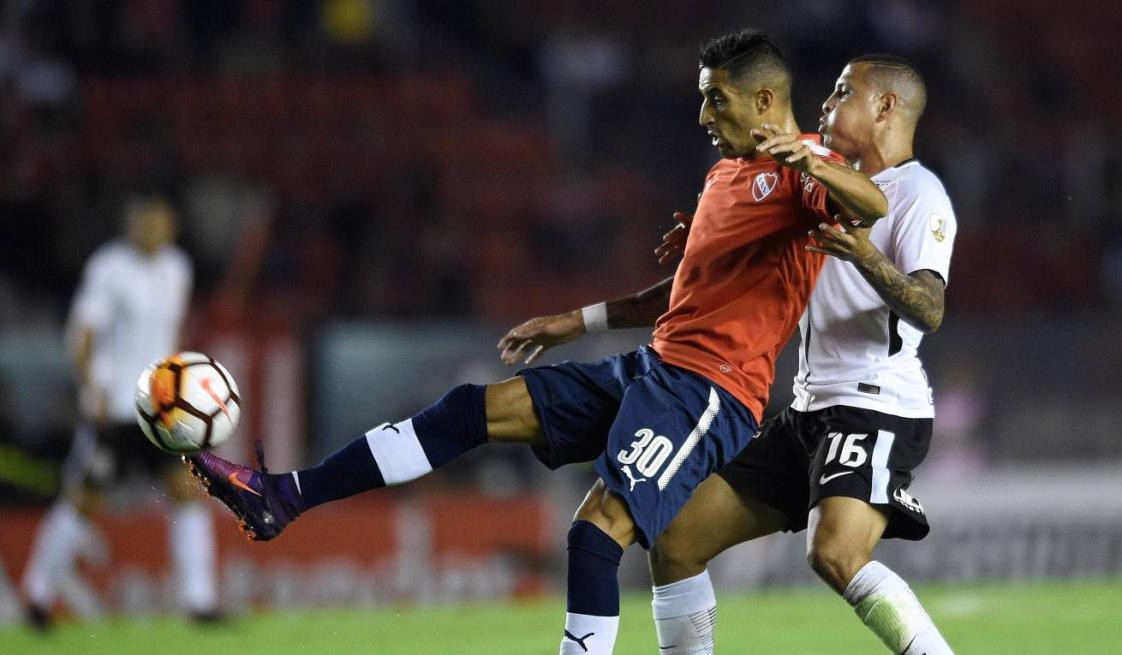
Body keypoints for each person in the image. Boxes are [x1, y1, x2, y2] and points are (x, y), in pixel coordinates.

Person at [185, 30, 886, 655]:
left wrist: (811, 162)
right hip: (653, 367)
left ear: (766, 99)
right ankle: (288, 496)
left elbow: (871, 206)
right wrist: (572, 322)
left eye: (718, 101)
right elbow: (682, 293)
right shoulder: (726, 175)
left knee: (594, 535)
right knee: (468, 410)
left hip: (710, 391)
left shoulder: (805, 171)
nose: (704, 116)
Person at [645, 55, 957, 655]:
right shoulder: (819, 186)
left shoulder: (919, 194)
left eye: (843, 92)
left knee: (834, 552)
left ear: (885, 107)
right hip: (808, 410)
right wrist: (713, 238)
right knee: (676, 538)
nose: (825, 104)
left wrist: (863, 254)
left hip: (876, 404)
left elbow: (930, 309)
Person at [21, 197, 220, 626]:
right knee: (84, 500)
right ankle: (37, 597)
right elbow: (83, 334)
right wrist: (90, 390)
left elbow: (170, 332)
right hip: (112, 407)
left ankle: (201, 604)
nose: (148, 230)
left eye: (156, 222)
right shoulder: (108, 268)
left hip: (159, 409)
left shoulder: (177, 269)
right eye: (141, 222)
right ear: (129, 225)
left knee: (187, 491)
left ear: (171, 224)